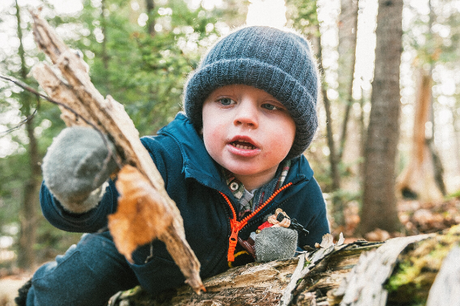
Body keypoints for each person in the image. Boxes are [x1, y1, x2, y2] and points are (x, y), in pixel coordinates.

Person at [19, 25, 330, 306]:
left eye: (270, 105)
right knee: (81, 278)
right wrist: (76, 192)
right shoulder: (164, 158)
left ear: (298, 130)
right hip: (138, 255)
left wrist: (291, 258)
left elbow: (319, 263)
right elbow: (93, 209)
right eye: (225, 101)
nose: (245, 117)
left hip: (221, 287)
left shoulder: (301, 191)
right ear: (201, 113)